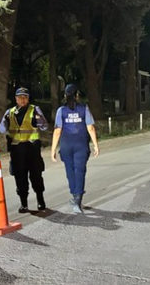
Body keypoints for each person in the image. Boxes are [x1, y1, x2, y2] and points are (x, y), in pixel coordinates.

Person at [0, 87, 49, 213]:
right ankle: (24, 204)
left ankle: (40, 200)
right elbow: (1, 129)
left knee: (36, 176)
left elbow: (44, 126)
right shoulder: (10, 112)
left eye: (25, 97)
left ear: (28, 99)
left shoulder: (34, 110)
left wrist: (39, 120)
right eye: (20, 97)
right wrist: (5, 122)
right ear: (16, 99)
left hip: (32, 149)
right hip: (17, 150)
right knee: (20, 178)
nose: (22, 99)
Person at [51, 84, 99, 213]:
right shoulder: (84, 109)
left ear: (65, 96)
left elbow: (57, 131)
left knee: (70, 171)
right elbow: (91, 128)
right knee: (80, 171)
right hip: (81, 145)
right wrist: (95, 144)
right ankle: (78, 199)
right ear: (77, 95)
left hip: (66, 145)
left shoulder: (61, 110)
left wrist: (53, 149)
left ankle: (74, 195)